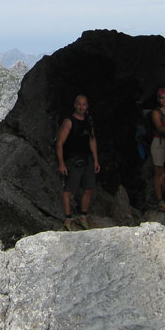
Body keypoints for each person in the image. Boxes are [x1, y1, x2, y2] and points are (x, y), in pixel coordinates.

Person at [56, 94, 100, 231]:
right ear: (75, 105)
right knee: (69, 189)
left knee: (89, 188)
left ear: (87, 106)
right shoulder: (69, 122)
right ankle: (68, 219)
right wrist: (62, 163)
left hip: (87, 158)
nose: (81, 107)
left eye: (84, 104)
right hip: (73, 159)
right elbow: (59, 143)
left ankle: (83, 217)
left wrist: (96, 160)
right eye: (79, 104)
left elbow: (92, 140)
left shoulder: (89, 121)